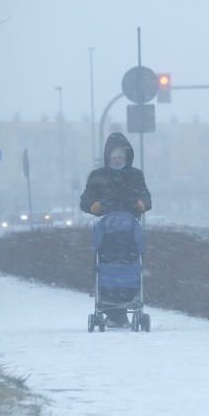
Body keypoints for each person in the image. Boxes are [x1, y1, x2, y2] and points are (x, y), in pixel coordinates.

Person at [80, 132, 152, 327]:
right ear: (107, 157)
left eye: (121, 156)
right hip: (107, 233)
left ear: (127, 157)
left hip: (129, 234)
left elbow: (146, 197)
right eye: (114, 156)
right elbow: (85, 200)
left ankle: (118, 313)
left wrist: (141, 203)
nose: (117, 159)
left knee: (128, 268)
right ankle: (114, 313)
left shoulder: (135, 175)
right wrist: (93, 205)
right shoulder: (98, 176)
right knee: (106, 268)